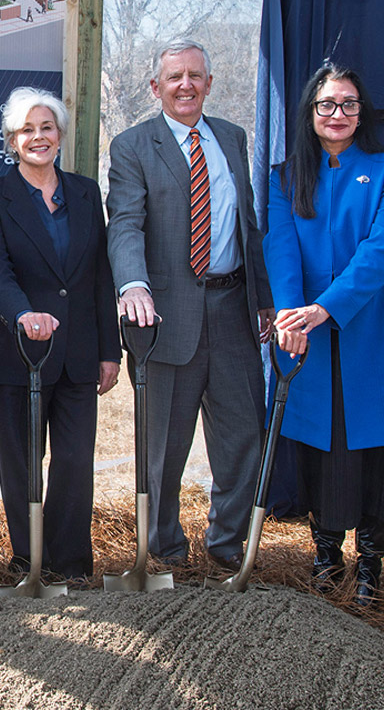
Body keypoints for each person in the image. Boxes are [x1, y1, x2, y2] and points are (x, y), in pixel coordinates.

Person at [265, 64, 384, 606]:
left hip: (375, 328)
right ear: (310, 113)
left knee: (375, 447)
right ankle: (325, 556)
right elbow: (280, 247)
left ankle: (370, 564)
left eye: (348, 104)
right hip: (308, 335)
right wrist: (292, 316)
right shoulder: (285, 177)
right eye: (326, 104)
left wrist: (325, 308)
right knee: (322, 445)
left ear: (362, 113)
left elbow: (383, 249)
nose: (337, 114)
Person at [106, 38, 274, 572]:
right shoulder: (133, 145)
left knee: (243, 439)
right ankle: (166, 553)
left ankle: (227, 550)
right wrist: (133, 285)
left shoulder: (232, 137)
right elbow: (125, 223)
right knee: (163, 450)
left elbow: (247, 225)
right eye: (175, 77)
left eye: (195, 76)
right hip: (165, 319)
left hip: (234, 312)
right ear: (156, 87)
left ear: (209, 83)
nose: (186, 85)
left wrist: (265, 300)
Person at [0, 87, 121, 580]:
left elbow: (99, 275)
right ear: (12, 140)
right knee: (21, 464)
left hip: (79, 353)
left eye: (47, 127)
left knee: (74, 463)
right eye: (27, 130)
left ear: (60, 134)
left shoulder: (85, 193)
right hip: (18, 353)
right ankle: (30, 561)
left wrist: (110, 350)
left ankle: (71, 566)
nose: (38, 137)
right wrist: (22, 314)